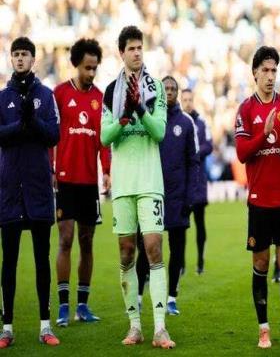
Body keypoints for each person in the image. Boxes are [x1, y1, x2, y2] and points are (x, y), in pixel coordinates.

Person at [101, 25, 174, 349]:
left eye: (139, 47)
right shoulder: (109, 92)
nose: (136, 53)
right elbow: (105, 137)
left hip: (149, 181)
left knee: (154, 249)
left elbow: (159, 132)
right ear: (121, 53)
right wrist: (124, 116)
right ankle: (135, 326)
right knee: (126, 252)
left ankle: (160, 328)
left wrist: (141, 109)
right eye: (131, 48)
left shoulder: (155, 87)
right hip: (123, 184)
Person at [234, 45, 280, 349]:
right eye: (265, 70)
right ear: (254, 73)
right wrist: (263, 134)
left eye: (274, 70)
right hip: (259, 200)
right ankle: (263, 329)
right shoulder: (246, 109)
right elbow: (242, 153)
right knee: (262, 263)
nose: (270, 75)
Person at [0, 37, 60, 347]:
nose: (20, 58)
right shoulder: (2, 98)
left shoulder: (46, 96)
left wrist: (32, 119)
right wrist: (21, 126)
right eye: (16, 54)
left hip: (38, 190)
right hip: (10, 190)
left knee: (41, 259)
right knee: (8, 262)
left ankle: (45, 326)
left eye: (25, 54)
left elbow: (54, 135)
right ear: (11, 59)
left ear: (33, 59)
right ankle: (7, 327)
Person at [53, 38, 111, 327]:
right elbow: (51, 136)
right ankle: (64, 307)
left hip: (89, 182)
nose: (91, 73)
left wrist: (107, 171)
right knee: (65, 240)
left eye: (94, 68)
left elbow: (104, 142)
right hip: (65, 181)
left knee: (87, 242)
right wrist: (51, 169)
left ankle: (83, 306)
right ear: (76, 64)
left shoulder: (100, 98)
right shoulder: (60, 94)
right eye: (87, 68)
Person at [136, 76, 199, 316]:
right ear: (161, 92)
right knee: (146, 247)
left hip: (178, 197)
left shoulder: (186, 123)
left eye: (173, 88)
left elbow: (194, 162)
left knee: (177, 250)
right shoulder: (150, 119)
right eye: (166, 88)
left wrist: (190, 197)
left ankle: (172, 297)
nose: (170, 91)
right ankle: (138, 296)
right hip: (152, 194)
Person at [181, 88, 213, 275]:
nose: (187, 103)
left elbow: (209, 145)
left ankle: (200, 261)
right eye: (184, 100)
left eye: (190, 99)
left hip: (199, 183)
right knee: (181, 226)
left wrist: (193, 152)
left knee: (200, 224)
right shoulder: (176, 122)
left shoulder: (202, 123)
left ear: (194, 101)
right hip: (182, 183)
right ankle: (181, 264)